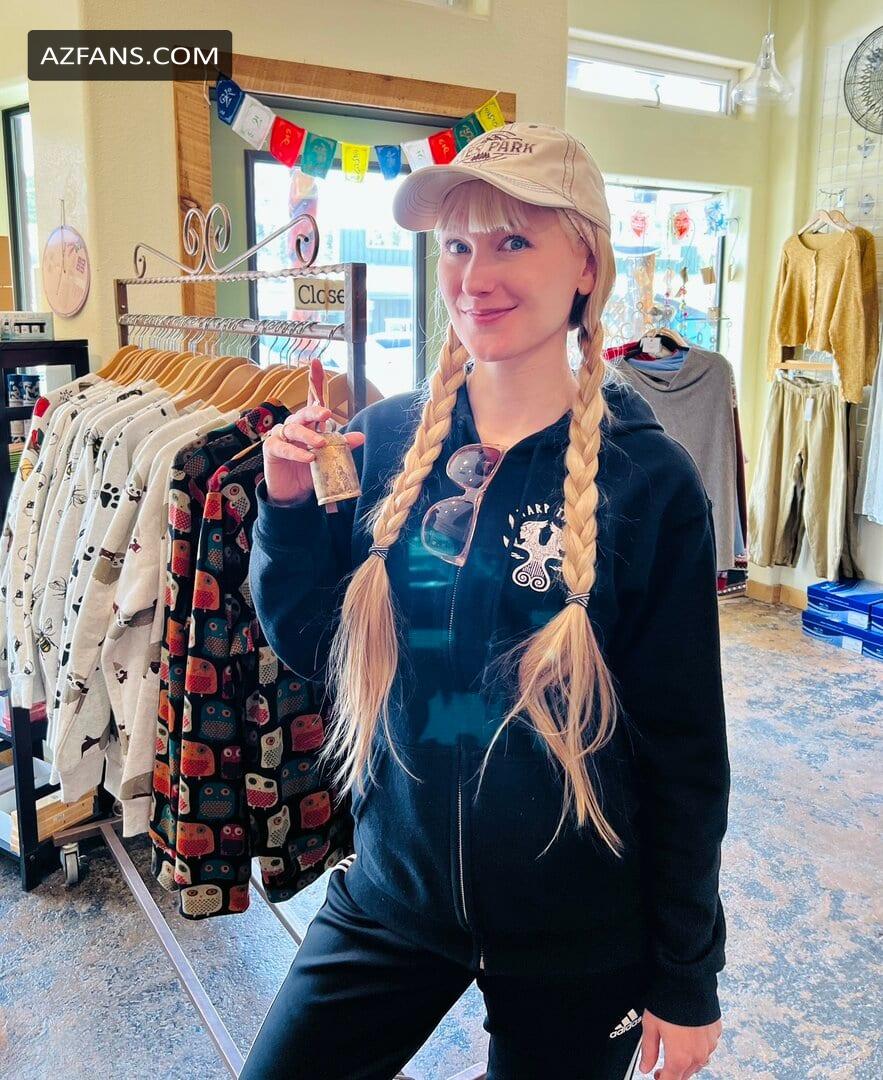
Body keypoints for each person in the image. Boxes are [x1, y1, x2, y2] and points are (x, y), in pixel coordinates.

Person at [243, 122, 730, 1080]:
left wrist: (686, 973)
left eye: (512, 241)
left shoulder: (651, 482)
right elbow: (312, 646)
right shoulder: (385, 440)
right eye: (458, 246)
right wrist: (287, 509)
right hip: (394, 896)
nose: (475, 277)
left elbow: (684, 750)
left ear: (584, 264)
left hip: (578, 933)